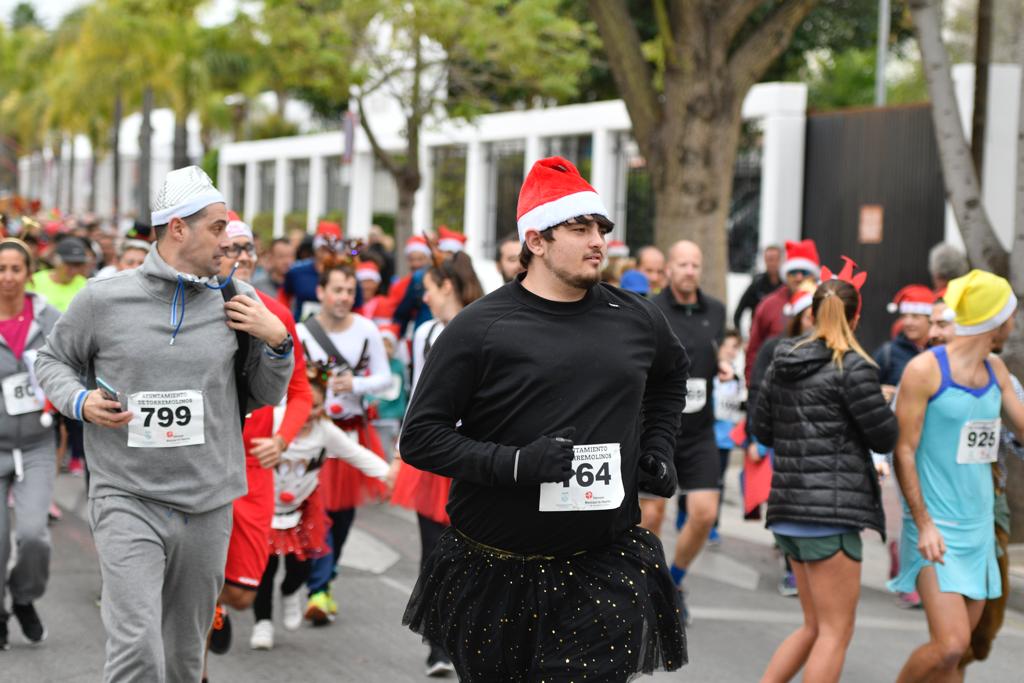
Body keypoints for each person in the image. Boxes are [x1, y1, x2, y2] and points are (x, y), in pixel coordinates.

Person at [399, 156, 689, 682]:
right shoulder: (478, 328)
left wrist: (657, 447)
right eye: (579, 228)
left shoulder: (638, 318)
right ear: (535, 240)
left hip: (603, 563)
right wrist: (516, 464)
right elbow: (419, 439)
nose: (597, 240)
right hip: (494, 571)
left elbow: (671, 378)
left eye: (601, 228)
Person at [34, 166, 294, 683]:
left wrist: (278, 342)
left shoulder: (237, 298)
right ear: (178, 228)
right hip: (127, 496)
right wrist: (80, 400)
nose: (230, 240)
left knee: (181, 659)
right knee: (137, 651)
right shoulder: (103, 299)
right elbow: (51, 361)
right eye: (218, 227)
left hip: (207, 501)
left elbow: (266, 393)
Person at [754, 261, 897, 683]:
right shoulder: (852, 368)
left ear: (811, 313)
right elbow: (884, 437)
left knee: (813, 626)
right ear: (855, 316)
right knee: (836, 631)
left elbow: (762, 428)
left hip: (788, 510)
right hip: (831, 516)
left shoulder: (783, 360)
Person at [889, 270, 1024, 683]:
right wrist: (924, 523)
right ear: (997, 321)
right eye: (1011, 315)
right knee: (948, 644)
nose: (1014, 324)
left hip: (979, 527)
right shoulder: (924, 370)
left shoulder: (996, 370)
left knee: (958, 653)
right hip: (935, 528)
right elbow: (903, 450)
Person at [205, 214, 313, 664]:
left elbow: (302, 392)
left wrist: (282, 441)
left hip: (253, 466)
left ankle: (210, 606)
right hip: (205, 460)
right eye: (231, 247)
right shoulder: (194, 306)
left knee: (244, 594)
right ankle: (198, 658)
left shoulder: (278, 312)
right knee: (196, 573)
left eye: (247, 248)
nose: (242, 256)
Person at [388, 250, 484, 677]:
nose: (423, 297)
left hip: (475, 454)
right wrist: (401, 443)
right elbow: (418, 392)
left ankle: (469, 633)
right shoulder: (425, 332)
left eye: (427, 289)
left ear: (447, 286)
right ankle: (440, 642)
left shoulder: (486, 324)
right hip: (434, 455)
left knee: (475, 552)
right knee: (435, 552)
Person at [250, 363, 390, 650]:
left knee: (299, 569)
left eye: (315, 407)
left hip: (300, 512)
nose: (307, 415)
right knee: (264, 568)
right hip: (265, 508)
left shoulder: (325, 431)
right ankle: (262, 623)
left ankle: (290, 594)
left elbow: (358, 456)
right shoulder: (271, 421)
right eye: (302, 405)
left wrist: (391, 475)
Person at [296, 262, 391, 625]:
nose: (343, 297)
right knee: (318, 508)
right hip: (314, 432)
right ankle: (317, 588)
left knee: (344, 514)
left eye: (350, 291)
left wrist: (357, 385)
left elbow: (384, 377)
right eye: (337, 290)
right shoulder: (303, 332)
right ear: (321, 292)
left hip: (352, 430)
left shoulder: (366, 329)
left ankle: (325, 580)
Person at [642, 240, 725, 625]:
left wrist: (725, 366)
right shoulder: (651, 310)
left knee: (705, 514)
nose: (690, 270)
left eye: (695, 264)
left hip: (700, 431)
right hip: (658, 427)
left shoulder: (716, 312)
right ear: (669, 269)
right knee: (651, 516)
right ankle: (649, 586)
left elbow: (720, 352)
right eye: (682, 264)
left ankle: (673, 581)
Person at [0, 238, 61, 650]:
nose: (7, 278)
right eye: (0, 269)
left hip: (38, 444)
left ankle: (23, 598)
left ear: (29, 272)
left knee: (35, 535)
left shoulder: (50, 319)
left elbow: (74, 364)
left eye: (15, 269)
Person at [745, 239, 819, 384]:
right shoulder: (768, 305)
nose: (798, 277)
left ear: (813, 275)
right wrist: (752, 385)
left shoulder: (824, 304)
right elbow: (753, 349)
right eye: (793, 272)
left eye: (804, 272)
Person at [875, 285, 934, 400]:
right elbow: (866, 389)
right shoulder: (888, 352)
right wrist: (881, 391)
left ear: (930, 319)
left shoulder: (941, 351)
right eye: (904, 316)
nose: (907, 322)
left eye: (915, 316)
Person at [281, 220, 345, 321]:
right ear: (316, 247)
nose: (327, 253)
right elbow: (283, 296)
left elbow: (358, 308)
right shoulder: (297, 271)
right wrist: (285, 320)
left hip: (336, 331)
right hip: (302, 331)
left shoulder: (347, 274)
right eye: (323, 248)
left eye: (331, 249)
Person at [25, 236, 90, 312]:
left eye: (78, 265)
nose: (74, 270)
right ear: (57, 260)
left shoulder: (86, 286)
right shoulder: (34, 281)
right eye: (69, 264)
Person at [733, 244, 782, 331]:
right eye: (770, 259)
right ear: (765, 260)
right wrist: (738, 334)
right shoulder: (757, 285)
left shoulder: (786, 285)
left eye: (776, 259)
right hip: (759, 334)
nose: (773, 263)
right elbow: (739, 311)